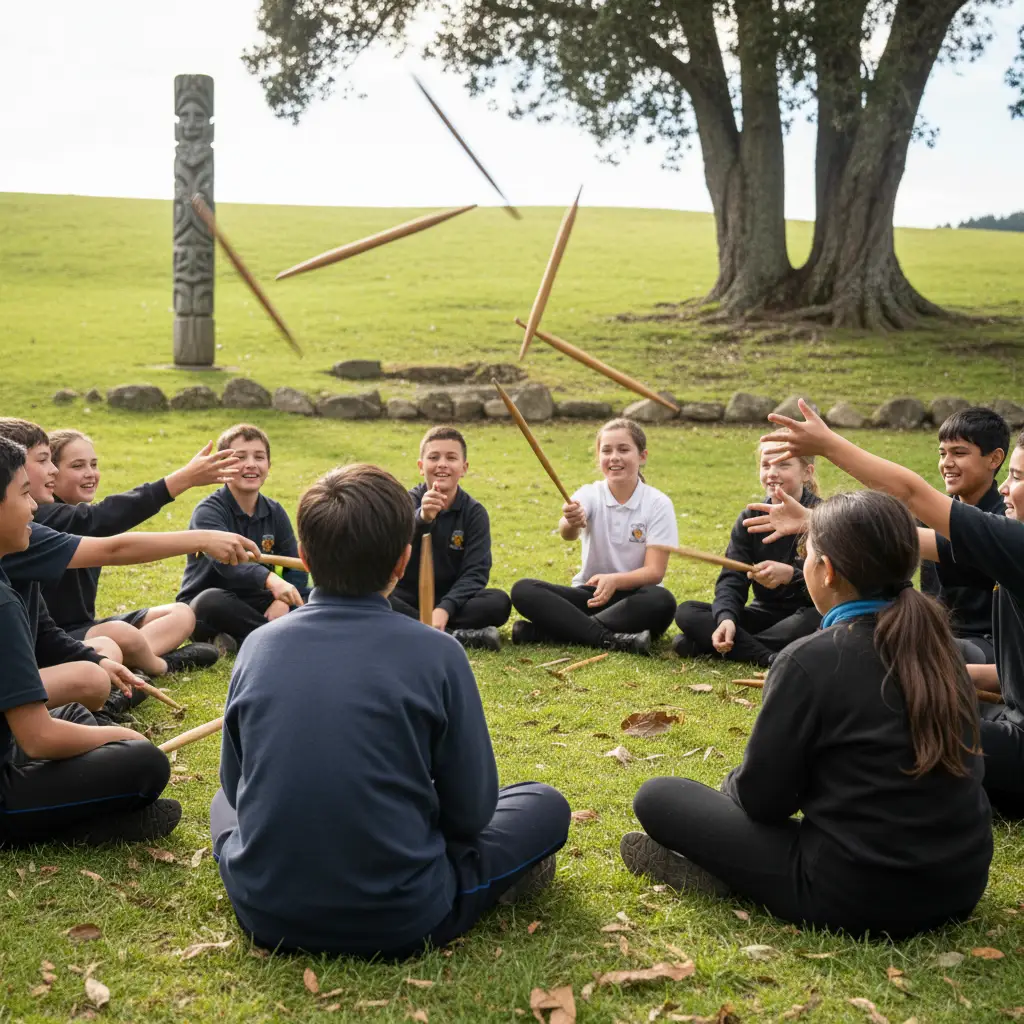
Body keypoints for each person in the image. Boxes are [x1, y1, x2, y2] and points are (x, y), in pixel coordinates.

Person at [210, 463, 571, 957]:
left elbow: (236, 786)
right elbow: (471, 813)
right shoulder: (439, 653)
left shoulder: (257, 646)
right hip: (403, 914)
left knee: (222, 804)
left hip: (264, 910)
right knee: (542, 803)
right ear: (402, 563)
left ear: (306, 557)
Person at [621, 489, 991, 939]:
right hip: (959, 883)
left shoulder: (809, 660)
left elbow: (764, 802)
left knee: (658, 796)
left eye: (808, 554)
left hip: (854, 894)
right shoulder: (942, 646)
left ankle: (717, 869)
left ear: (827, 570)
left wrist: (730, 789)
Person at [753, 399, 1024, 816]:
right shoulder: (1008, 548)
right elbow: (903, 542)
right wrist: (816, 522)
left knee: (890, 727)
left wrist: (828, 445)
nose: (1005, 488)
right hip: (1009, 713)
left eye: (1018, 478)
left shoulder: (1017, 545)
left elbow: (910, 493)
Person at [0, 435, 180, 847]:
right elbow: (38, 738)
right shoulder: (4, 602)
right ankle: (83, 822)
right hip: (6, 782)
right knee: (145, 762)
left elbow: (46, 638)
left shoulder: (11, 581)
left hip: (12, 737)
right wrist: (125, 739)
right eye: (24, 494)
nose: (33, 508)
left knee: (77, 714)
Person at [35, 428, 233, 676]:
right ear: (53, 473)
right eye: (77, 466)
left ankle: (134, 661)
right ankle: (161, 666)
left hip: (87, 629)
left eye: (93, 464)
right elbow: (106, 524)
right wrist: (185, 480)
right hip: (54, 639)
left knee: (181, 613)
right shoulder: (43, 516)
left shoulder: (75, 517)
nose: (90, 474)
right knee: (119, 635)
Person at [510, 419, 677, 655]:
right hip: (589, 597)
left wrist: (615, 580)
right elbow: (568, 532)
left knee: (662, 601)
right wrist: (571, 520)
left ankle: (553, 632)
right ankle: (609, 639)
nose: (614, 457)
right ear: (599, 458)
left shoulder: (658, 503)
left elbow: (654, 572)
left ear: (642, 456)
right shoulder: (589, 493)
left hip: (635, 599)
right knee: (523, 589)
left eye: (623, 449)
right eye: (606, 450)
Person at [673, 445, 820, 667]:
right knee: (687, 611)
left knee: (815, 621)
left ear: (807, 472)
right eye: (765, 465)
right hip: (763, 614)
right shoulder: (751, 517)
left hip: (808, 614)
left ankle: (732, 647)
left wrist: (792, 576)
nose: (772, 472)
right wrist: (727, 619)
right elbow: (732, 578)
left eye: (783, 464)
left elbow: (836, 584)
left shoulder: (824, 516)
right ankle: (769, 656)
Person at [177, 424, 308, 651]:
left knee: (318, 595)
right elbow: (227, 563)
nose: (251, 464)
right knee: (209, 602)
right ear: (223, 465)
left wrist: (281, 600)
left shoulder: (275, 512)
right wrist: (271, 580)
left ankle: (240, 639)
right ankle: (280, 637)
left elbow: (294, 567)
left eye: (259, 457)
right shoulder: (208, 512)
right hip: (215, 603)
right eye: (240, 457)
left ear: (269, 465)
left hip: (260, 600)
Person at [388, 426, 510, 651]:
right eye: (433, 457)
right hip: (406, 595)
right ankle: (457, 636)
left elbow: (476, 572)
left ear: (463, 468)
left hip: (451, 599)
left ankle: (420, 626)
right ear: (420, 466)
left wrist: (445, 608)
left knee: (499, 602)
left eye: (451, 458)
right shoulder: (403, 502)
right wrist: (421, 518)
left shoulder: (474, 513)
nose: (442, 463)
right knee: (381, 599)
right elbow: (388, 550)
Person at [920, 408, 1008, 665]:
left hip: (993, 643)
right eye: (942, 453)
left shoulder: (1007, 522)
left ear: (994, 459)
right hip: (943, 636)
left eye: (959, 453)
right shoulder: (933, 517)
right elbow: (930, 595)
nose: (947, 463)